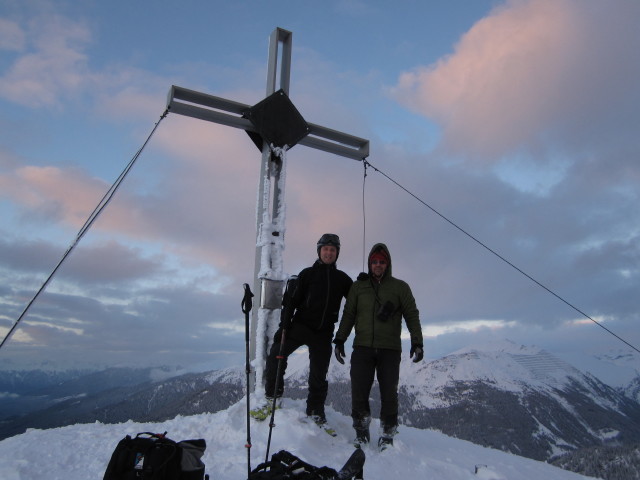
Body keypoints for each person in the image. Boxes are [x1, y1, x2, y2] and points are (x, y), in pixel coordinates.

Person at [333, 242, 424, 451]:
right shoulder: (359, 287)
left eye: (382, 262)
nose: (378, 265)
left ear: (388, 264)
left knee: (389, 393)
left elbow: (412, 314)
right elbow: (348, 315)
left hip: (390, 349)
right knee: (359, 391)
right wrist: (339, 339)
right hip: (362, 347)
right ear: (369, 263)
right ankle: (361, 432)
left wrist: (417, 342)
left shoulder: (400, 287)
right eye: (374, 261)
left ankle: (387, 435)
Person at [263, 233, 353, 426]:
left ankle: (315, 410)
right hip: (300, 326)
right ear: (319, 251)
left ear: (337, 253)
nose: (328, 253)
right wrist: (283, 327)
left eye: (332, 250)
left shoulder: (342, 279)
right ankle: (273, 397)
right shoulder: (306, 275)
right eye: (325, 249)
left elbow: (357, 300)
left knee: (319, 373)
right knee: (277, 353)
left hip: (323, 332)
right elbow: (290, 303)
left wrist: (362, 283)